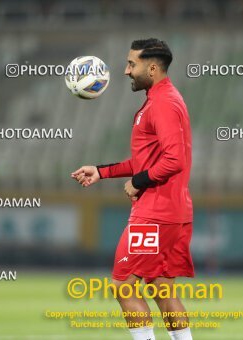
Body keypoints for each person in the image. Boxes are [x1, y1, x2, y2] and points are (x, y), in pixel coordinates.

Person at [71, 38, 194, 340]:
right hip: (174, 211)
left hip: (154, 213)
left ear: (152, 67)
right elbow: (146, 160)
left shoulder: (163, 103)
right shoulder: (163, 99)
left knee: (123, 285)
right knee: (162, 289)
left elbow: (174, 160)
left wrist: (138, 182)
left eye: (131, 64)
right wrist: (102, 171)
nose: (126, 71)